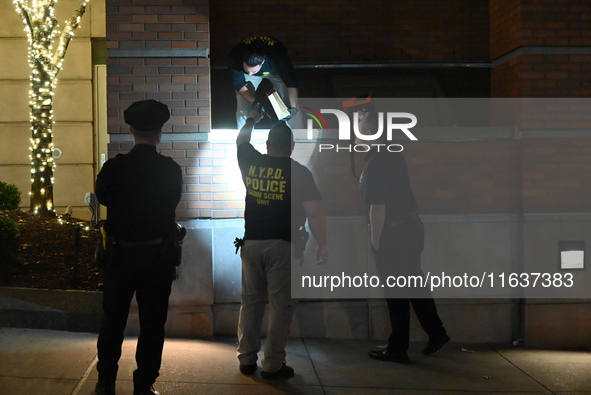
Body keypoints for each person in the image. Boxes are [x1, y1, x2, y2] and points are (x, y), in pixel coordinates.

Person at [94, 100, 183, 395]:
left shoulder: (114, 168)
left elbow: (103, 197)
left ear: (130, 129)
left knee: (112, 322)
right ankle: (143, 385)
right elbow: (171, 203)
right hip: (157, 258)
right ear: (160, 133)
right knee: (153, 325)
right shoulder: (170, 170)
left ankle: (106, 381)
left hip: (120, 256)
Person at [235, 112, 328, 379]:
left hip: (251, 243)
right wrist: (323, 245)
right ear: (291, 146)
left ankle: (246, 359)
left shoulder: (251, 162)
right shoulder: (298, 172)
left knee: (250, 303)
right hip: (282, 246)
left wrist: (251, 120)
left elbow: (241, 141)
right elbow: (315, 213)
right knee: (281, 306)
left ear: (267, 145)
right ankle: (273, 364)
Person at [358, 111, 449, 364]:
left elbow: (378, 206)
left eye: (362, 128)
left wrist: (376, 242)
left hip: (393, 234)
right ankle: (436, 333)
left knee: (396, 293)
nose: (357, 132)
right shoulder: (393, 154)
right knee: (414, 284)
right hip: (409, 229)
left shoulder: (377, 162)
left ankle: (398, 347)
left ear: (371, 132)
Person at [228, 35, 302, 129]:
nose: (250, 74)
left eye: (253, 71)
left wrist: (293, 108)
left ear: (262, 61)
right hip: (245, 69)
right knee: (243, 105)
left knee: (290, 105)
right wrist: (256, 102)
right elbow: (239, 84)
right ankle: (243, 138)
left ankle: (297, 136)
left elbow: (291, 83)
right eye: (247, 70)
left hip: (275, 70)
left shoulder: (277, 57)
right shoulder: (235, 57)